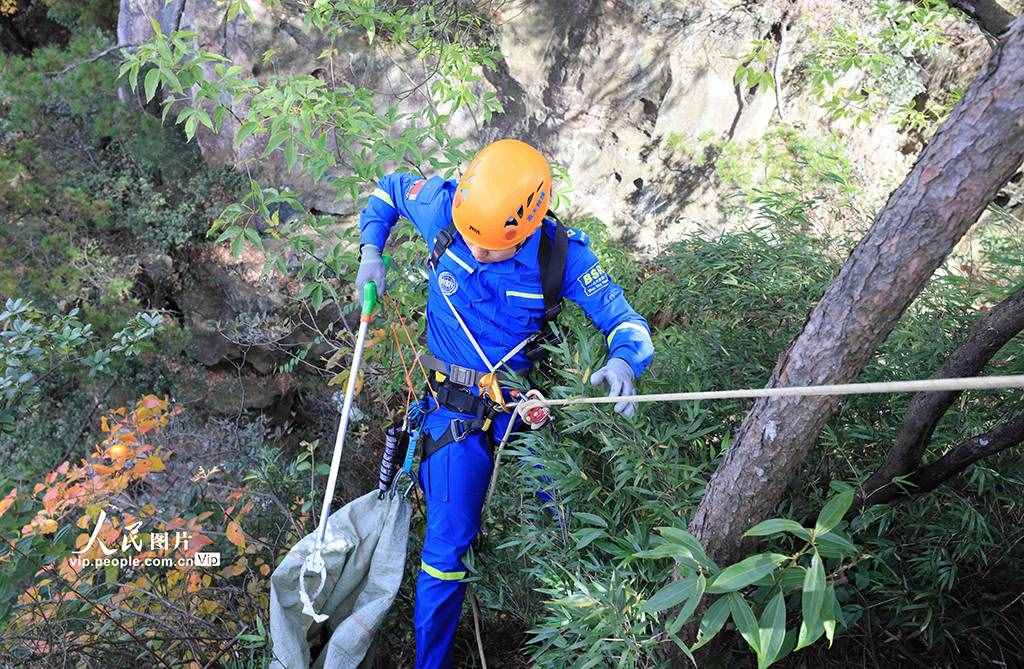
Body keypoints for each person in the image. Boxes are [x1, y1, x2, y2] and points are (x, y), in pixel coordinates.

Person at [355, 138, 654, 668]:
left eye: (490, 247)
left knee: (562, 525)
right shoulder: (451, 211)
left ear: (528, 223)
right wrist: (371, 254)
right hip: (449, 411)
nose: (475, 251)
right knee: (445, 551)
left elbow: (626, 321)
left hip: (520, 410)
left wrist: (625, 361)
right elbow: (388, 190)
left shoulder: (560, 256)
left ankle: (582, 641)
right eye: (470, 240)